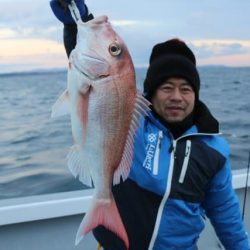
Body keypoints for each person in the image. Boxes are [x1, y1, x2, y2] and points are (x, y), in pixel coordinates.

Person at [50, 1, 250, 249]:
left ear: (196, 95)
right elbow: (94, 83)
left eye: (186, 89)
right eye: (166, 88)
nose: (176, 97)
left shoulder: (214, 150)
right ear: (151, 93)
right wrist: (75, 22)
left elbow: (227, 218)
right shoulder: (135, 126)